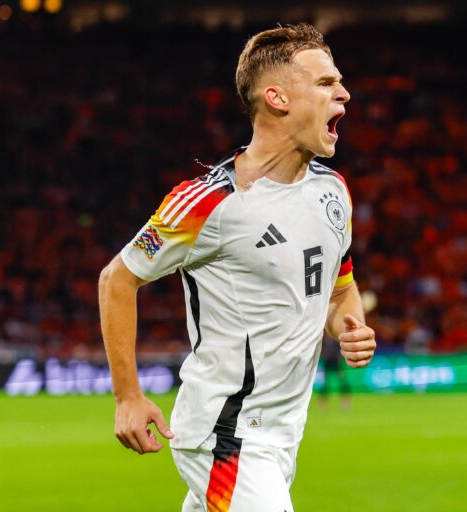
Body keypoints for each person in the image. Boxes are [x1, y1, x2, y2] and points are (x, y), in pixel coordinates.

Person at [98, 23, 376, 512]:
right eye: (326, 83)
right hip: (227, 437)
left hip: (283, 435)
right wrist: (128, 396)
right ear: (277, 98)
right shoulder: (209, 202)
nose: (345, 93)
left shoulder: (334, 191)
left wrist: (349, 326)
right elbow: (117, 278)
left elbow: (338, 289)